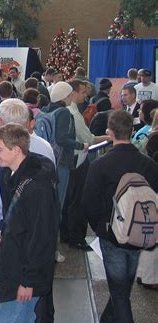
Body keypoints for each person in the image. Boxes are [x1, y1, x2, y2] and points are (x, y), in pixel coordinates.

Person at [82, 109, 158, 323]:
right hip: (140, 235)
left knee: (120, 290)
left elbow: (89, 202)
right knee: (121, 287)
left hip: (112, 235)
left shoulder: (101, 164)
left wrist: (102, 229)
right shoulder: (148, 164)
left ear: (110, 133)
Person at [0, 124, 59, 323]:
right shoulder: (18, 177)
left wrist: (29, 280)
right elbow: (20, 221)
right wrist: (2, 233)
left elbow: (43, 238)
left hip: (25, 274)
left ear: (17, 150)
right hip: (16, 266)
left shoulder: (36, 186)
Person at [62, 80, 109, 251]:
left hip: (71, 161)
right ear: (73, 93)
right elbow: (88, 139)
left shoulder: (68, 112)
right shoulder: (73, 114)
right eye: (82, 92)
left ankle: (67, 233)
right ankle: (76, 237)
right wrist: (109, 138)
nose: (85, 95)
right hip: (78, 162)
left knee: (69, 199)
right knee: (78, 200)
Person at [41, 81, 88, 213]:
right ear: (65, 97)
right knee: (58, 203)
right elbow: (62, 139)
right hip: (61, 162)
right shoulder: (64, 113)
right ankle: (55, 232)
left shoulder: (45, 110)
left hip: (48, 160)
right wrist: (80, 145)